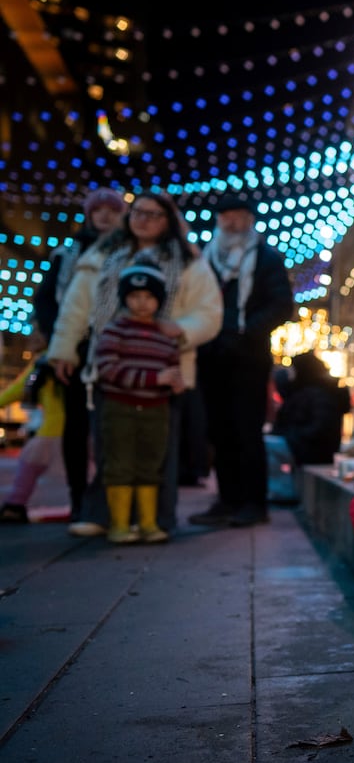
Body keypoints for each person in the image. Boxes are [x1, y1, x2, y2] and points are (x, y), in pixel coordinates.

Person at [46, 191, 223, 538]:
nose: (145, 220)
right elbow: (76, 305)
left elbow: (209, 312)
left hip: (164, 368)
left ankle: (155, 519)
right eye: (139, 212)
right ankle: (103, 515)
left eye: (155, 214)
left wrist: (181, 329)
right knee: (110, 443)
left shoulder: (188, 260)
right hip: (111, 365)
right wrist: (63, 349)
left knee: (158, 449)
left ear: (168, 220)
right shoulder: (104, 253)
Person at [191, 194, 295, 528]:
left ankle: (253, 502)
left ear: (249, 220)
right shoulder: (205, 259)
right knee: (218, 430)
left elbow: (281, 305)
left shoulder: (266, 258)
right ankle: (227, 499)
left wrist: (246, 331)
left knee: (246, 429)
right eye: (225, 216)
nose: (230, 222)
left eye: (237, 215)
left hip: (248, 356)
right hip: (210, 353)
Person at [36, 187, 127, 520]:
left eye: (111, 210)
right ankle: (78, 498)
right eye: (98, 209)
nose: (104, 215)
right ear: (88, 214)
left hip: (114, 345)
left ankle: (107, 496)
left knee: (112, 423)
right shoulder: (66, 253)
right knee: (75, 425)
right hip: (73, 347)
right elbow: (46, 300)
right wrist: (58, 344)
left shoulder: (130, 250)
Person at [90, 264, 184, 543]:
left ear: (159, 300)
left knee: (150, 463)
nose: (142, 303)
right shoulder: (116, 329)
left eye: (148, 296)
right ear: (124, 298)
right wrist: (155, 378)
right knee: (119, 462)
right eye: (134, 296)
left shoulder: (164, 334)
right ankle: (119, 524)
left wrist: (175, 381)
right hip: (120, 407)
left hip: (156, 410)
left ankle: (148, 523)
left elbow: (173, 364)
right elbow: (107, 368)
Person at [0, 366, 64, 523]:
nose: (32, 341)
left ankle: (15, 505)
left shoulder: (45, 362)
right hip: (79, 428)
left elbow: (19, 388)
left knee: (29, 463)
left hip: (53, 428)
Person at [271, 351, 351, 466]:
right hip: (305, 448)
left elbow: (319, 428)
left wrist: (291, 437)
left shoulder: (319, 395)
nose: (291, 375)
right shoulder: (308, 393)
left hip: (310, 451)